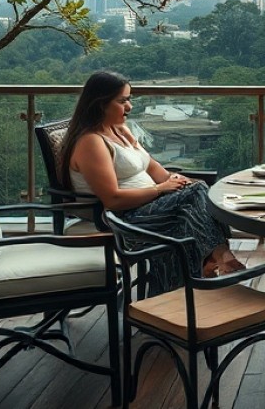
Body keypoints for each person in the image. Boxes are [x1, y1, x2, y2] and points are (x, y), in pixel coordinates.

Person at [60, 71, 243, 295]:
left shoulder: (121, 131)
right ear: (100, 104)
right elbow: (113, 199)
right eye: (122, 101)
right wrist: (159, 190)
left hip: (152, 208)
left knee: (187, 218)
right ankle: (220, 258)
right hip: (125, 219)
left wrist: (175, 181)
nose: (129, 107)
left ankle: (174, 303)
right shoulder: (91, 142)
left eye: (129, 99)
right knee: (198, 192)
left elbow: (154, 168)